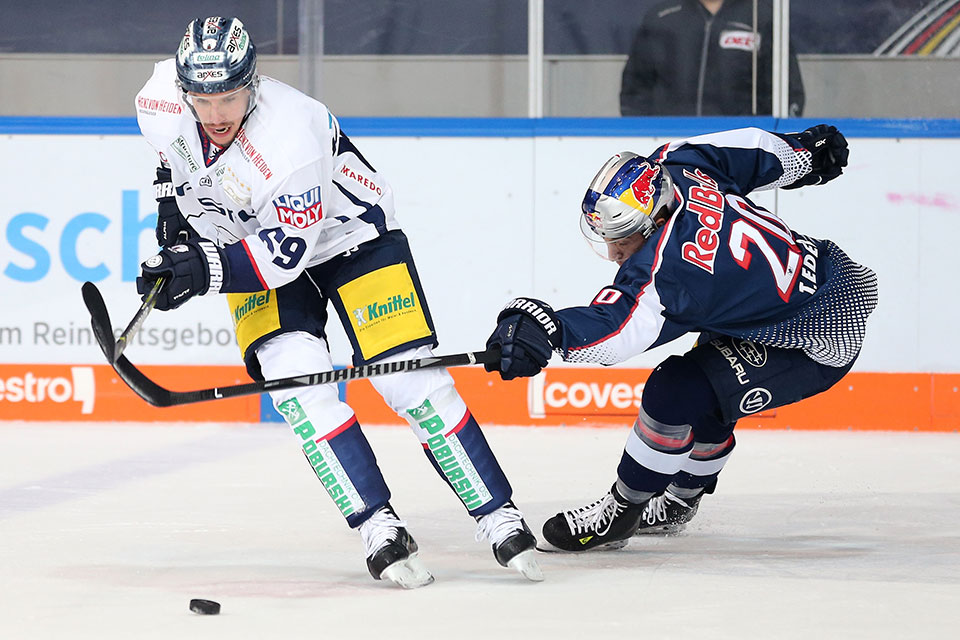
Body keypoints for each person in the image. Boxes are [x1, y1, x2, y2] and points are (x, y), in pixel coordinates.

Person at [133, 16, 542, 586]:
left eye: (229, 96)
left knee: (413, 384)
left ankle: (498, 514)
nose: (217, 113)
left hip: (352, 241)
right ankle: (377, 524)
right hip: (249, 239)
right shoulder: (158, 100)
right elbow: (168, 156)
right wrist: (172, 210)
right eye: (204, 99)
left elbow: (282, 259)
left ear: (253, 84)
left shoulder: (290, 136)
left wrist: (202, 269)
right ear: (184, 92)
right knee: (300, 389)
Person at [485, 124, 877, 551]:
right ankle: (680, 500)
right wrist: (802, 155)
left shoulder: (670, 271)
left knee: (675, 391)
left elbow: (616, 331)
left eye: (623, 239)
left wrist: (549, 329)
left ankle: (623, 508)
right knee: (707, 393)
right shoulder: (678, 165)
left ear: (653, 222)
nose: (615, 253)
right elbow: (755, 148)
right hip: (828, 278)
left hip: (816, 338)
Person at [620, 0, 805, 116]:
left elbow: (788, 91)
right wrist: (645, 134)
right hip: (671, 143)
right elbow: (634, 88)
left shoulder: (762, 16)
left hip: (739, 147)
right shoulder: (661, 18)